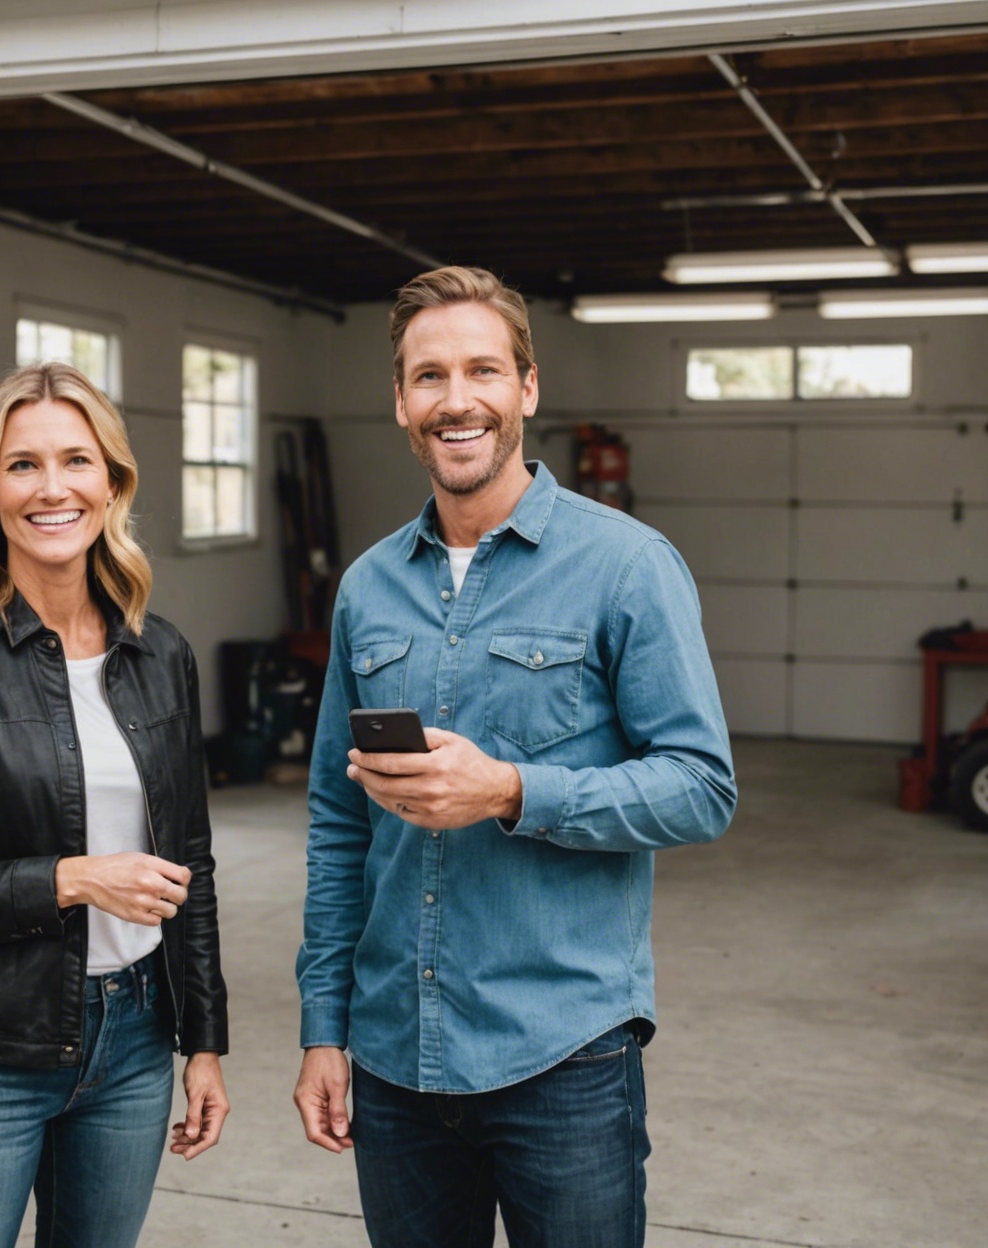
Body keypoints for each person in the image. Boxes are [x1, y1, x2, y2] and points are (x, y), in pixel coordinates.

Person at [293, 267, 736, 1247]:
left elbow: (702, 789)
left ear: (527, 390)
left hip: (564, 1059)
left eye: (483, 370)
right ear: (401, 403)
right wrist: (324, 1023)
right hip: (395, 1059)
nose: (457, 400)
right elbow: (335, 824)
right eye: (430, 376)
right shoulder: (368, 589)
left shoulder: (627, 566)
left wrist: (510, 791)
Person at [0, 361, 228, 1248]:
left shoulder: (158, 653)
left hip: (135, 1043)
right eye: (22, 466)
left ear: (112, 484)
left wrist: (203, 1040)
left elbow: (192, 864)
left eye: (77, 461)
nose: (52, 488)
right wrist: (70, 879)